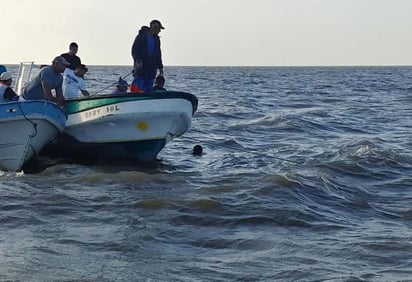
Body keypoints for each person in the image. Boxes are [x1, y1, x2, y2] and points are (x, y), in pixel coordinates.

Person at [131, 19, 164, 93]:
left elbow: (158, 54)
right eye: (158, 28)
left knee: (149, 86)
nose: (159, 31)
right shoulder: (141, 36)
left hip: (152, 67)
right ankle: (134, 97)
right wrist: (138, 60)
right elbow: (135, 50)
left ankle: (147, 99)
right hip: (141, 66)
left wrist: (160, 67)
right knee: (138, 82)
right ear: (153, 27)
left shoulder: (156, 39)